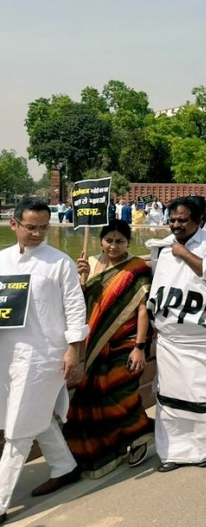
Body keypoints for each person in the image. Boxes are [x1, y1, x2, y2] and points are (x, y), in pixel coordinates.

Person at [0, 199, 89, 524]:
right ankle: (65, 467)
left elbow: (76, 308)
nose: (38, 234)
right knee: (34, 415)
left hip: (43, 356)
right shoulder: (1, 260)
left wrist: (73, 350)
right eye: (31, 227)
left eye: (43, 228)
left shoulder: (60, 262)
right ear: (14, 225)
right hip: (6, 355)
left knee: (18, 429)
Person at [65, 220, 153, 478]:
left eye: (120, 241)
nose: (114, 246)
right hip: (96, 343)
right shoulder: (90, 264)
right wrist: (79, 279)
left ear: (128, 243)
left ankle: (139, 437)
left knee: (120, 392)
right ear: (101, 240)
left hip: (128, 342)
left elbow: (143, 310)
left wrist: (139, 347)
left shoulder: (137, 268)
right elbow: (79, 305)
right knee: (92, 397)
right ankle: (110, 448)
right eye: (109, 240)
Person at [151, 197, 206, 473]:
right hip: (170, 334)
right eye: (172, 220)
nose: (176, 225)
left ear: (198, 221)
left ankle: (205, 449)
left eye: (182, 220)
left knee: (198, 391)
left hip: (200, 333)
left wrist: (182, 253)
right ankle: (171, 452)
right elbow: (157, 287)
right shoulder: (161, 247)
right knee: (169, 393)